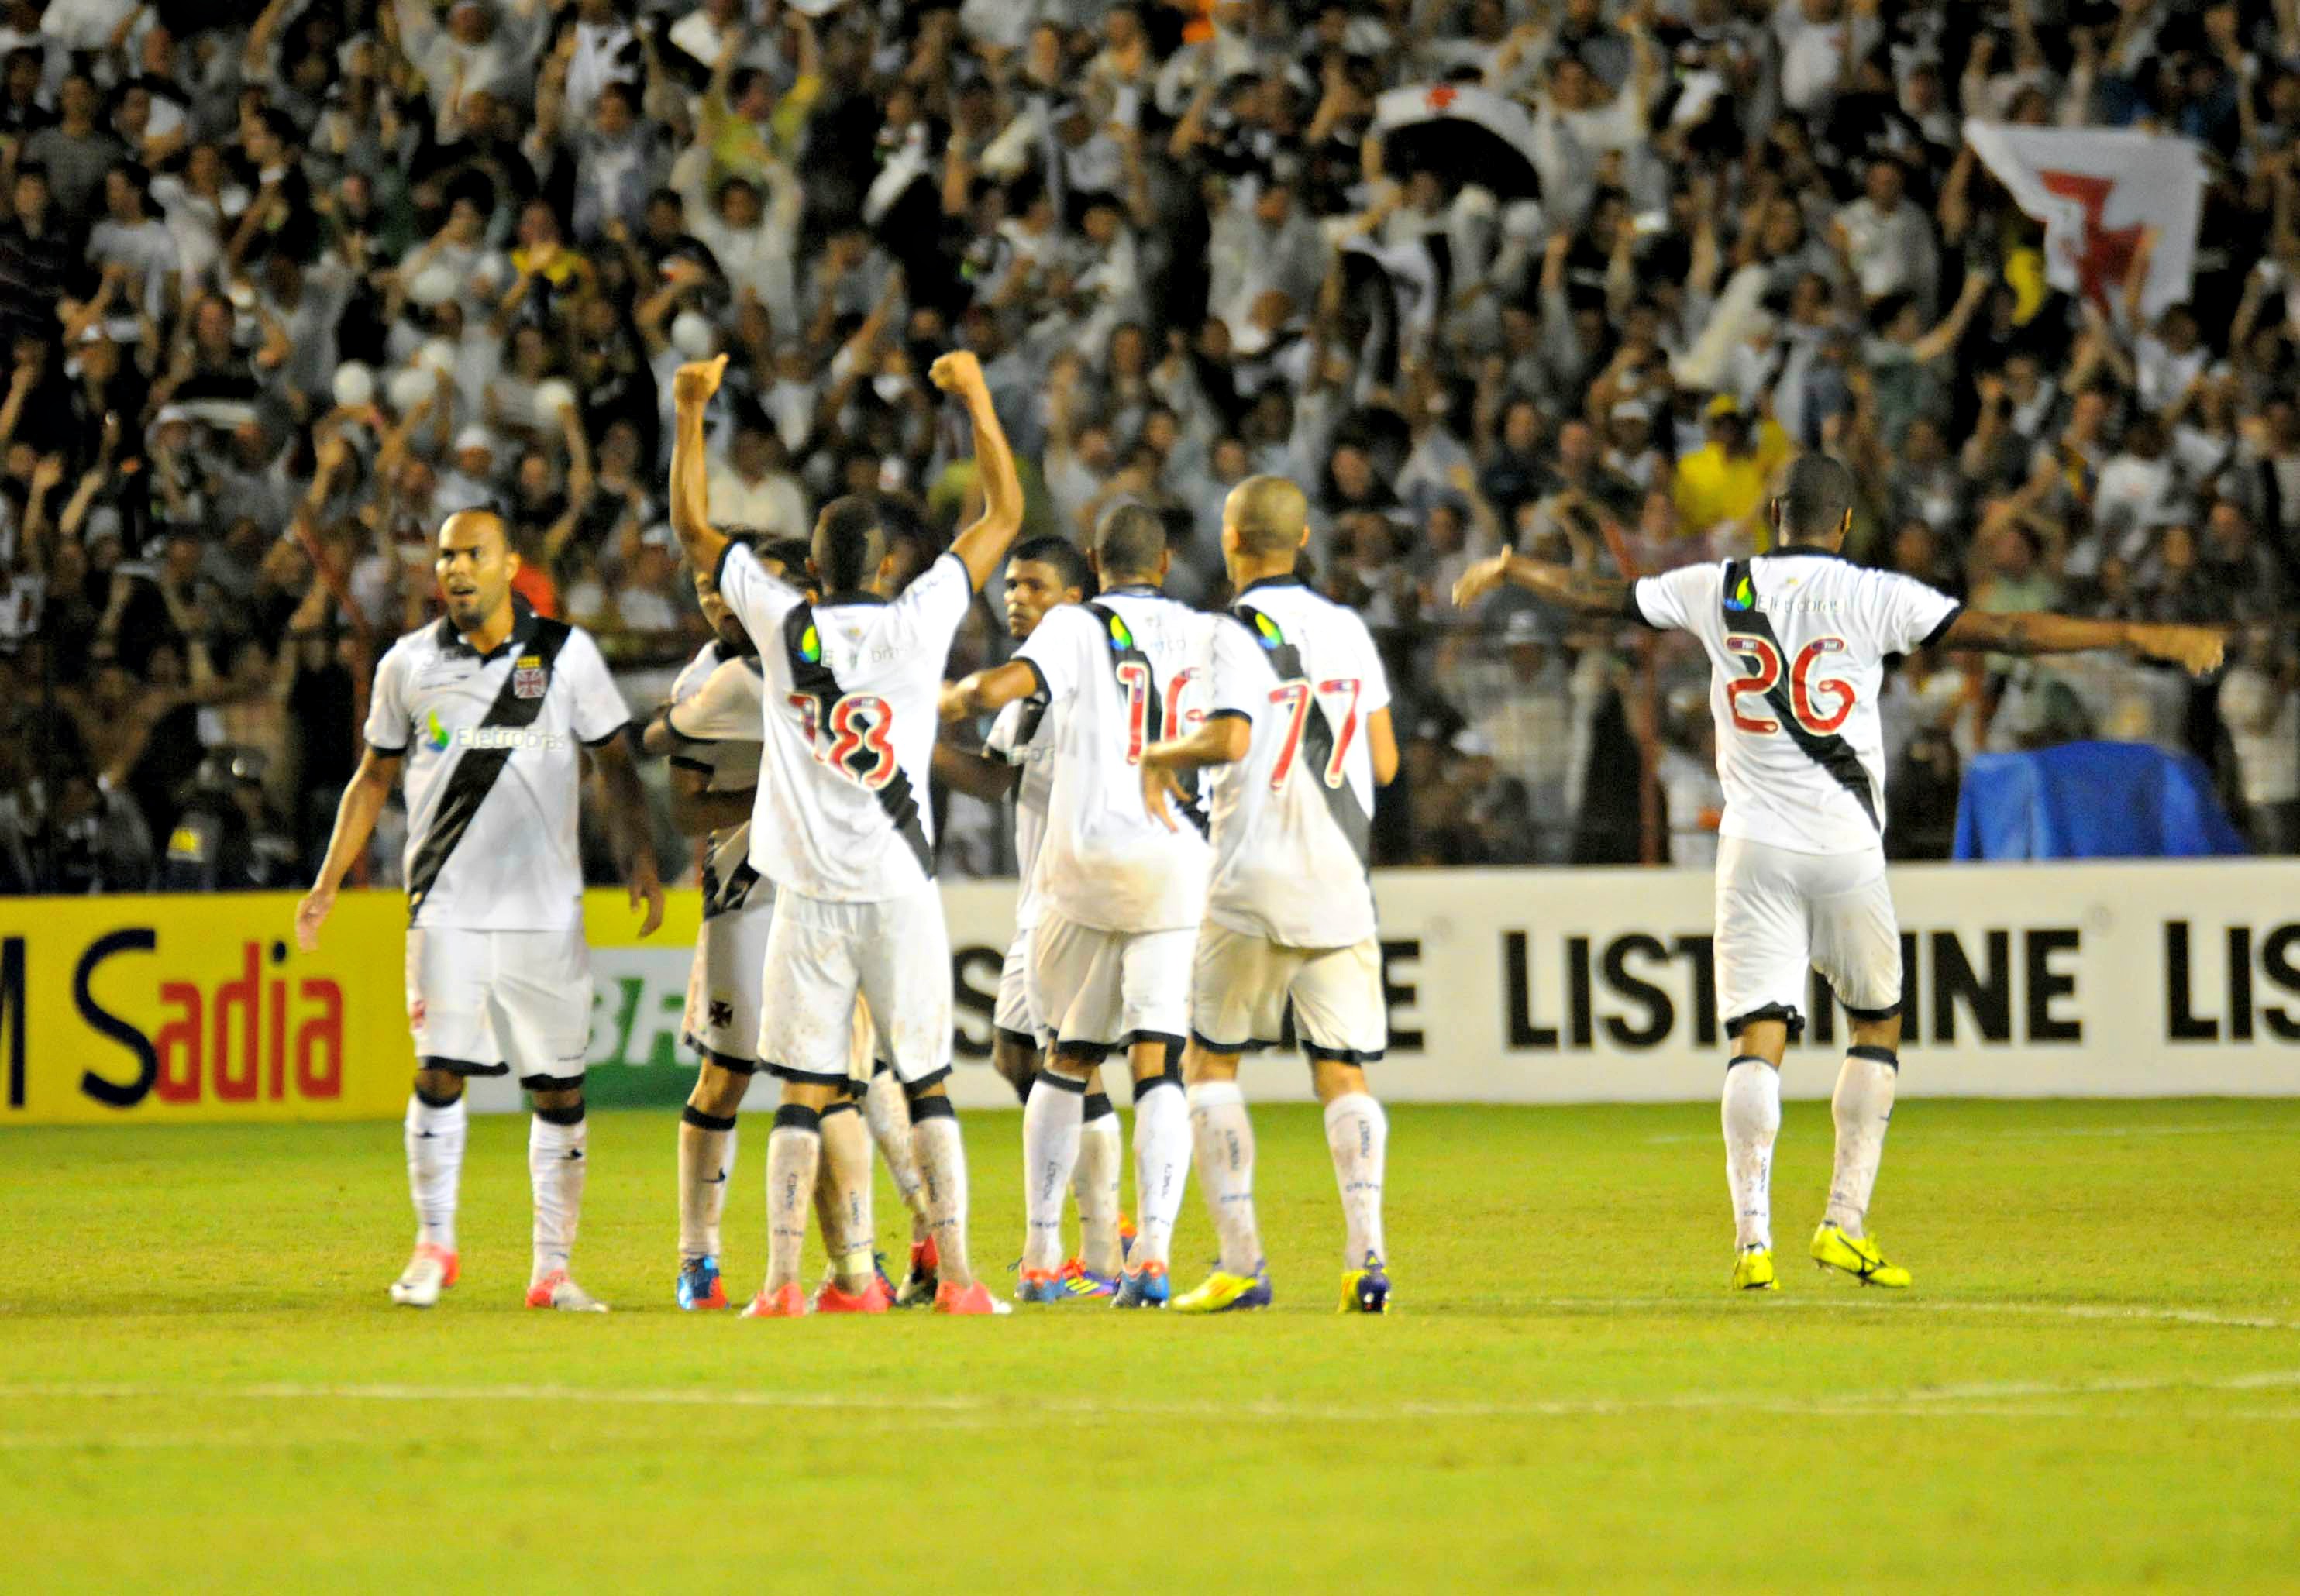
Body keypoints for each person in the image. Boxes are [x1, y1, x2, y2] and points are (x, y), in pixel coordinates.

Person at [1454, 453, 2225, 1291]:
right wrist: (2139, 637)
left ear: (1773, 515)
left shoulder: (1720, 585)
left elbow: (1602, 596)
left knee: (1757, 1038)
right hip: (1845, 846)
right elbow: (2010, 634)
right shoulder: (1874, 594)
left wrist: (1514, 567)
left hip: (1752, 847)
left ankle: (1753, 1240)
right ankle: (1843, 1223)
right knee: (1875, 1024)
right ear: (1846, 522)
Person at [662, 347, 1021, 1317]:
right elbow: (1003, 516)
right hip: (899, 888)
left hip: (808, 897)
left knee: (799, 1088)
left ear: (812, 568)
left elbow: (692, 528)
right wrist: (977, 398)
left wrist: (691, 410)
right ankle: (960, 1280)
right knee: (927, 1083)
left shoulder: (785, 623)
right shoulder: (919, 619)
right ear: (889, 564)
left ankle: (781, 1285)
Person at [295, 507, 666, 1312]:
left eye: (473, 553)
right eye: (445, 555)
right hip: (446, 905)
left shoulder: (566, 655)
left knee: (560, 1091)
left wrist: (639, 856)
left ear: (510, 563)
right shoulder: (407, 663)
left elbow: (614, 761)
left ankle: (552, 1271)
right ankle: (434, 1244)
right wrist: (328, 880)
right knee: (437, 1070)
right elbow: (373, 776)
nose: (456, 568)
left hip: (546, 912)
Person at [643, 538, 936, 1312]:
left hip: (830, 892)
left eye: (734, 587)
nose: (719, 600)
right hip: (745, 896)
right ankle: (700, 1259)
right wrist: (781, 793)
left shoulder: (829, 660)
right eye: (706, 587)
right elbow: (684, 806)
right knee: (729, 1076)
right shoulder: (712, 678)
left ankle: (873, 1254)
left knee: (844, 1079)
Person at [1136, 475, 1400, 1315]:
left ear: (1231, 539)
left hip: (1250, 880)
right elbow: (1384, 762)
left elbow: (1229, 736)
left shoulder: (1224, 632)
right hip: (1339, 883)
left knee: (1209, 1062)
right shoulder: (1349, 629)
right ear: (1305, 539)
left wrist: (1159, 756)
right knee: (1342, 1071)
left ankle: (1242, 1262)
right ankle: (1367, 1259)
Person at [942, 504, 1218, 1309]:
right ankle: (1151, 1257)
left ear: (1093, 565)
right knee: (1157, 1062)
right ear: (1165, 563)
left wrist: (942, 697)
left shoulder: (1072, 627)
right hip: (1175, 861)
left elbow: (994, 687)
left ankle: (1041, 1257)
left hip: (1081, 869)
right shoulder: (1207, 633)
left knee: (1063, 1060)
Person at [931, 534, 1136, 1299]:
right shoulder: (1031, 685)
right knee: (1018, 1057)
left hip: (1081, 894)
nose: (1016, 597)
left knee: (1069, 1057)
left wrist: (928, 705)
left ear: (1076, 601)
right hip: (1040, 897)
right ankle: (1103, 1225)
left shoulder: (1087, 677)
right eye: (1011, 585)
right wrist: (915, 745)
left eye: (1035, 586)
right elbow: (994, 780)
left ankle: (1101, 1243)